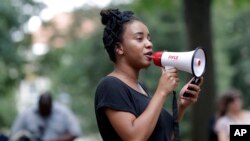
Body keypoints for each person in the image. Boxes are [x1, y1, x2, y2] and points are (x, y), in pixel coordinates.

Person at [94, 8, 203, 141]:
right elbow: (134, 137)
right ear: (119, 48)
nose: (149, 44)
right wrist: (162, 92)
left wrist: (181, 106)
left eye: (149, 39)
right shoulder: (110, 86)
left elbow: (166, 136)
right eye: (139, 39)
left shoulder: (141, 87)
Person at [10, 92, 82, 141]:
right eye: (42, 109)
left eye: (47, 109)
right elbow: (14, 134)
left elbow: (75, 132)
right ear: (38, 105)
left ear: (51, 105)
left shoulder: (64, 113)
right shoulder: (27, 114)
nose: (45, 112)